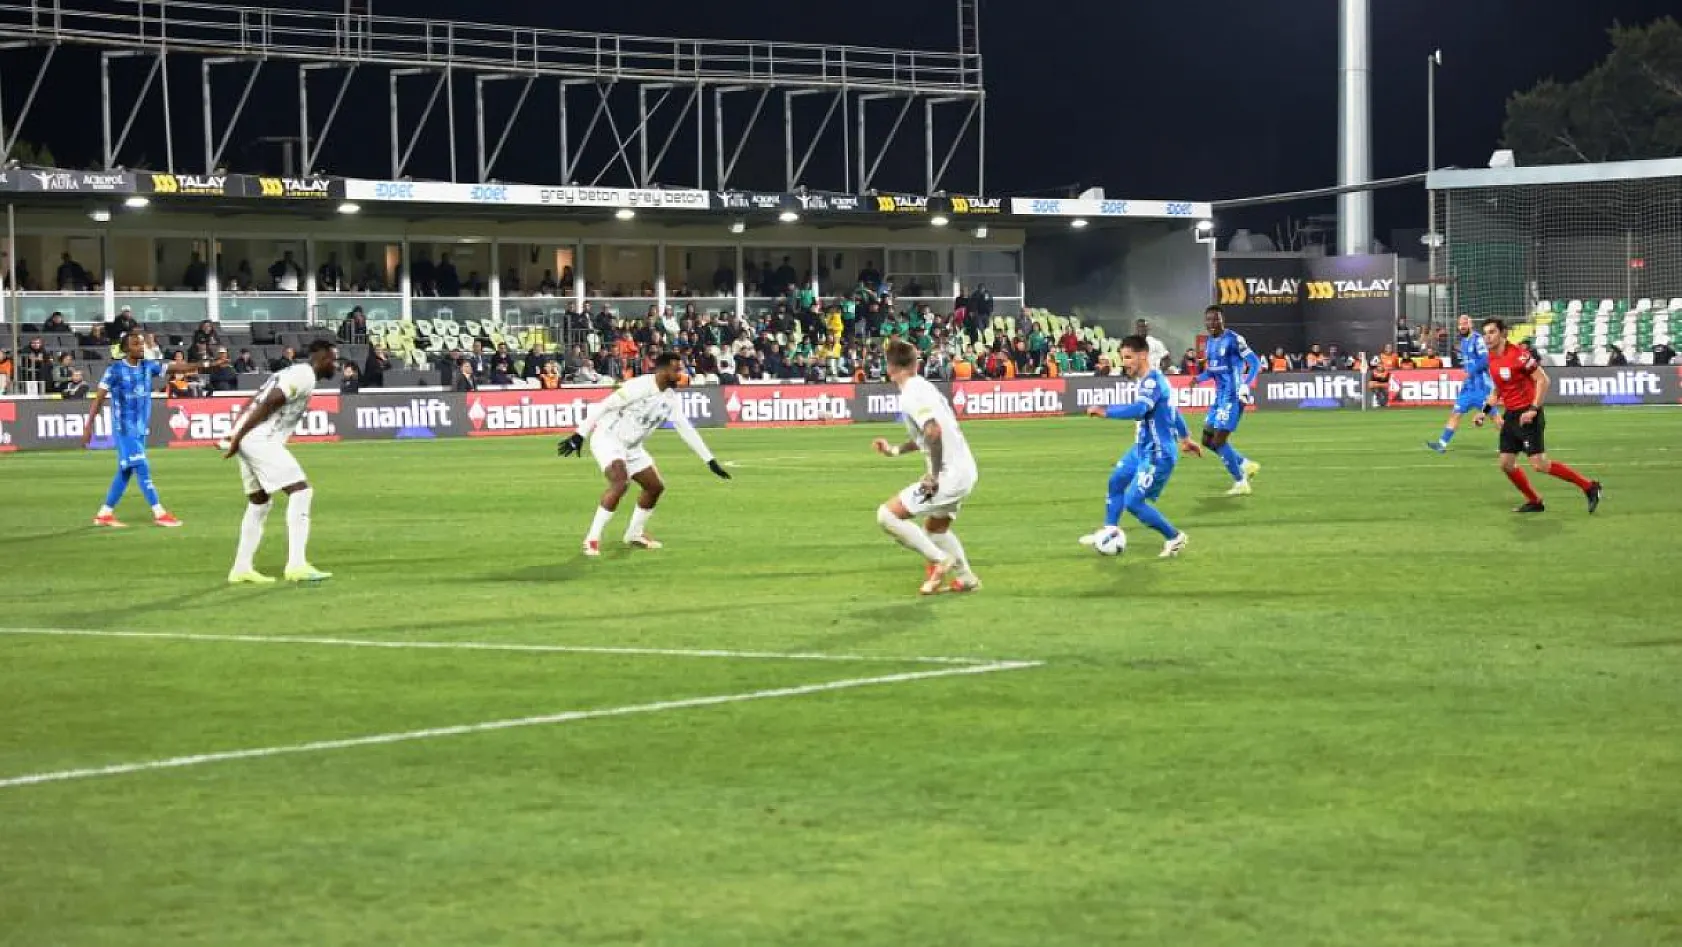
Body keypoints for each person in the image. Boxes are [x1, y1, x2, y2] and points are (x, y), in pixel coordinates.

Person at [556, 351, 731, 557]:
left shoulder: (670, 398)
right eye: (676, 370)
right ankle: (592, 539)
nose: (681, 374)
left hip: (633, 447)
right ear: (663, 370)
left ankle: (634, 534)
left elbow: (685, 428)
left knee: (655, 487)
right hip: (608, 439)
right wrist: (579, 435)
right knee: (620, 482)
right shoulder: (637, 387)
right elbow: (603, 406)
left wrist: (709, 460)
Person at [221, 339, 339, 583]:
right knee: (301, 491)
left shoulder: (288, 372)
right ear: (321, 358)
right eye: (332, 359)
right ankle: (297, 565)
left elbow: (255, 399)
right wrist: (239, 435)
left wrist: (236, 433)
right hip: (260, 439)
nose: (334, 365)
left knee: (259, 502)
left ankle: (241, 567)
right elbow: (271, 401)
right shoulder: (304, 374)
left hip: (250, 439)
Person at [871, 338, 981, 595]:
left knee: (887, 515)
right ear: (915, 364)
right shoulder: (923, 387)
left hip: (949, 475)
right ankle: (966, 578)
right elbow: (924, 436)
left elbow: (933, 431)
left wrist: (933, 475)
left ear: (889, 367)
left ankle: (940, 560)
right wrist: (895, 450)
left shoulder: (911, 393)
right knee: (935, 529)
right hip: (964, 470)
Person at [1081, 335, 1200, 558]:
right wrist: (1186, 438)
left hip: (1158, 454)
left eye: (1128, 357)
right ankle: (1110, 530)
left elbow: (1139, 410)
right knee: (1116, 482)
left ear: (1143, 355)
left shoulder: (1153, 382)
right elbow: (1174, 412)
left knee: (1134, 502)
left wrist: (1105, 411)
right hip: (1141, 448)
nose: (1124, 362)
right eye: (1122, 357)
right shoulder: (1146, 380)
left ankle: (1174, 537)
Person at [82, 330, 203, 528]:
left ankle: (104, 513)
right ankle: (159, 512)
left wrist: (206, 364)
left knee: (126, 470)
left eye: (142, 344)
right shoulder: (115, 371)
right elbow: (99, 398)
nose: (141, 347)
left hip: (139, 429)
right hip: (124, 428)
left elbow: (177, 367)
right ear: (126, 349)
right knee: (142, 466)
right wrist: (89, 425)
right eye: (136, 344)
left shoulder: (148, 366)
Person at [1480, 318, 1602, 514]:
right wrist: (1483, 413)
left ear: (1503, 333)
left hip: (1529, 414)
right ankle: (1535, 501)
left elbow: (1543, 380)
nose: (1488, 337)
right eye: (1485, 333)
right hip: (1511, 416)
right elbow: (1497, 391)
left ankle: (1589, 487)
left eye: (1492, 332)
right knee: (1506, 464)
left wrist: (1533, 409)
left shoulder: (1519, 355)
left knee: (1539, 464)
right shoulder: (1490, 359)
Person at [1192, 306, 1262, 495]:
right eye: (1209, 320)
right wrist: (1198, 379)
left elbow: (1255, 363)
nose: (1212, 324)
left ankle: (1241, 482)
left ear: (1223, 321)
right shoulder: (1209, 343)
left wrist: (1246, 384)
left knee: (1219, 439)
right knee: (1207, 440)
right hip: (1219, 397)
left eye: (1216, 320)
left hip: (1233, 396)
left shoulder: (1234, 340)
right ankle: (1245, 464)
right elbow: (1213, 370)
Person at [1426, 314, 1499, 453]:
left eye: (1465, 323)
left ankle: (1511, 444)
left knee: (1495, 417)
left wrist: (1471, 371)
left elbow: (1486, 359)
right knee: (1456, 413)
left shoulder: (1477, 340)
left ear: (1471, 325)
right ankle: (1441, 444)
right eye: (1460, 323)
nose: (1462, 326)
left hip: (1481, 386)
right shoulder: (1464, 341)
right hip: (1468, 387)